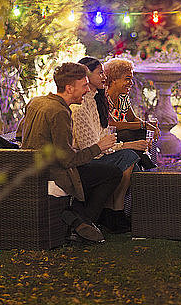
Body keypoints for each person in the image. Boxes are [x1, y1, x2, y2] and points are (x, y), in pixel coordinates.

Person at [17, 62, 120, 243]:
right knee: (112, 173)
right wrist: (99, 147)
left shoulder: (36, 102)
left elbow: (20, 134)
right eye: (84, 86)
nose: (88, 90)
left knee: (98, 170)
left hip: (33, 169)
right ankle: (81, 222)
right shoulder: (60, 112)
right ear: (69, 88)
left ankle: (78, 218)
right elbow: (68, 160)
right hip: (52, 174)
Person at [71, 57, 147, 232]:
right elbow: (92, 149)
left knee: (132, 158)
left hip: (98, 152)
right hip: (85, 159)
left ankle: (117, 213)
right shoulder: (80, 106)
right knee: (129, 157)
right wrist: (128, 145)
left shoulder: (94, 100)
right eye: (100, 73)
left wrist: (129, 142)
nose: (103, 77)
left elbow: (104, 137)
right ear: (87, 76)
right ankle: (115, 212)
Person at [103, 58, 160, 136]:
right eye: (127, 79)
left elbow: (132, 119)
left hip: (122, 138)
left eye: (131, 79)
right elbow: (112, 124)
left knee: (145, 134)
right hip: (109, 141)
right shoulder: (103, 98)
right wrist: (144, 125)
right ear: (113, 79)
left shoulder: (123, 97)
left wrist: (148, 125)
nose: (131, 83)